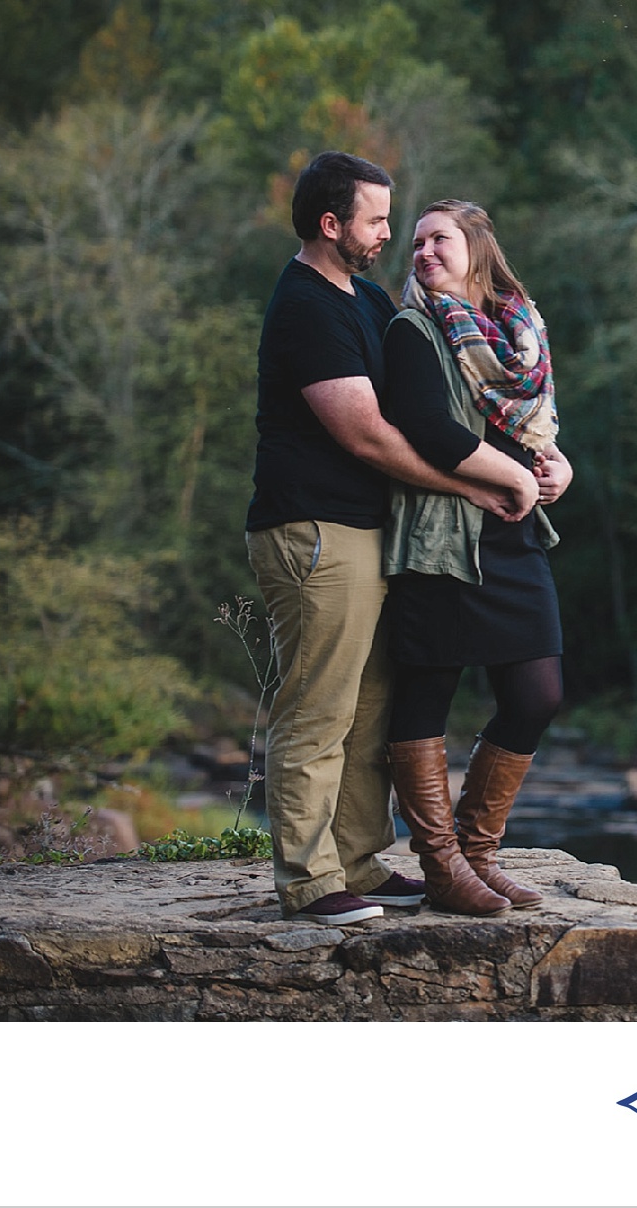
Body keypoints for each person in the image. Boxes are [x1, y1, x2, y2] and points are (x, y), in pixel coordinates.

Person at [245, 155, 540, 925]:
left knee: (370, 706)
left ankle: (361, 861)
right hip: (314, 529)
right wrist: (472, 485)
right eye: (377, 221)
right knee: (317, 710)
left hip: (369, 532)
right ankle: (310, 883)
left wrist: (539, 456)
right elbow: (369, 436)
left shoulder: (367, 301)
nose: (388, 234)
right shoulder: (307, 305)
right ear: (330, 225)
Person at [379, 199, 573, 916]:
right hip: (439, 535)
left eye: (440, 240)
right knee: (427, 694)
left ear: (478, 250)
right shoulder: (411, 329)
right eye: (417, 242)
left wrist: (555, 470)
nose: (424, 251)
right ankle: (441, 866)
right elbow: (427, 428)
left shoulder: (521, 330)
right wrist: (517, 475)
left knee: (537, 694)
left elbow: (534, 431)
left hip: (513, 535)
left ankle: (480, 854)